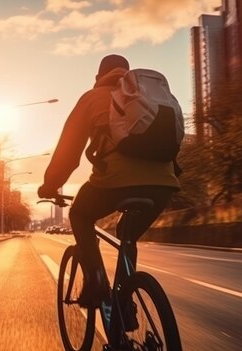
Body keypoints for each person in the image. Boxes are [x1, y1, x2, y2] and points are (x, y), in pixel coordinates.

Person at [38, 54, 180, 307]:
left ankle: (96, 281)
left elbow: (67, 155)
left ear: (98, 76)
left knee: (80, 214)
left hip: (114, 181)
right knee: (127, 236)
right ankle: (126, 305)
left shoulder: (92, 98)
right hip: (164, 185)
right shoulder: (150, 98)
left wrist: (49, 186)